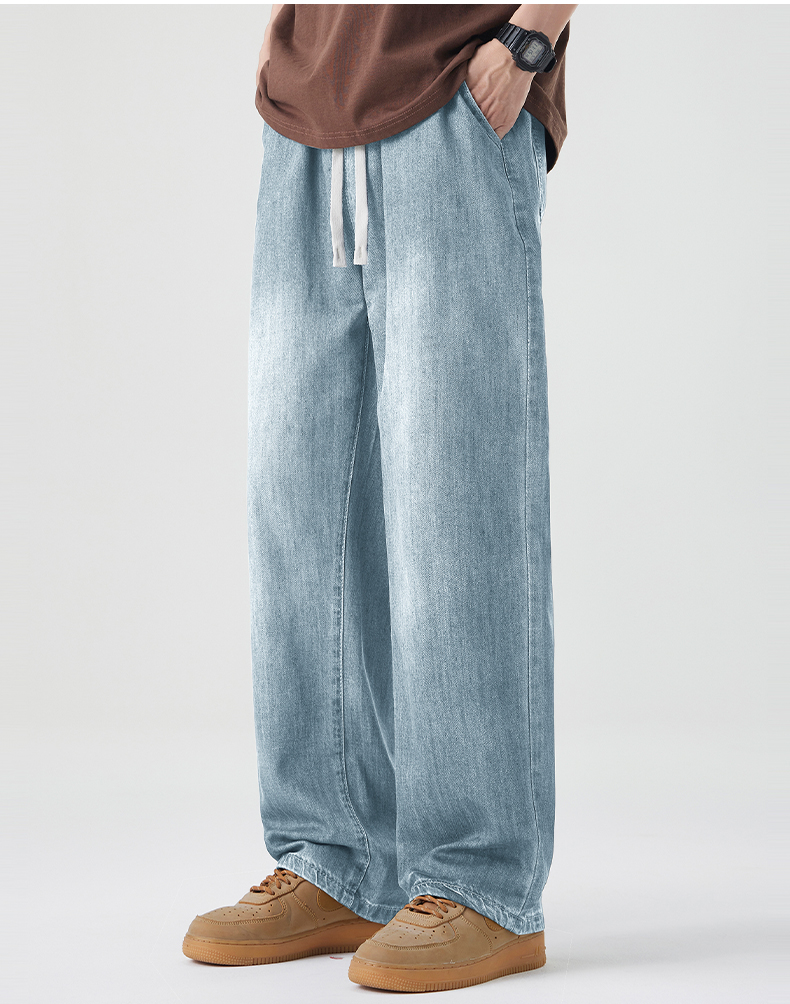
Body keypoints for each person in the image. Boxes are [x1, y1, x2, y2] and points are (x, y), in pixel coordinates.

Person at [183, 3, 577, 992]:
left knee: (455, 502)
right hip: (306, 109)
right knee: (296, 505)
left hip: (456, 86)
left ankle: (480, 879)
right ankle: (337, 856)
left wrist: (530, 38)